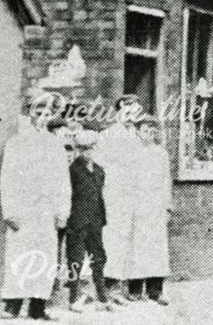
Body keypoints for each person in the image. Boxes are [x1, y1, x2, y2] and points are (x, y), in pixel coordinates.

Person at [0, 92, 71, 321]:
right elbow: (7, 178)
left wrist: (62, 211)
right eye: (38, 113)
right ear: (30, 113)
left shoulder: (55, 145)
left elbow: (63, 181)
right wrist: (9, 211)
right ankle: (13, 304)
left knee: (45, 256)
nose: (42, 117)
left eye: (48, 114)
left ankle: (38, 306)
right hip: (23, 209)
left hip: (47, 212)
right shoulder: (16, 142)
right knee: (20, 254)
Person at [93, 93, 143, 304]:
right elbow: (98, 163)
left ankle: (119, 286)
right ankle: (106, 287)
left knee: (128, 239)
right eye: (130, 111)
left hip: (132, 195)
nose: (133, 117)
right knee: (111, 238)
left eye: (136, 113)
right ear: (122, 106)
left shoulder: (136, 136)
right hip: (113, 194)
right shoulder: (108, 135)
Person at [125, 115, 172, 305]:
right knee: (136, 248)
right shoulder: (131, 153)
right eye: (145, 131)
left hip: (156, 207)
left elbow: (166, 181)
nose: (149, 135)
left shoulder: (161, 154)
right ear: (138, 132)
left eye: (153, 132)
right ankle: (135, 289)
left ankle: (155, 290)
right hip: (137, 206)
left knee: (156, 249)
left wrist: (168, 206)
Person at [65, 129, 113, 313]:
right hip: (77, 220)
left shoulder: (99, 171)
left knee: (98, 257)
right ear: (78, 149)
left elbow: (100, 196)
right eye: (83, 149)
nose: (87, 152)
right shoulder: (72, 170)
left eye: (91, 148)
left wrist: (101, 217)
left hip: (95, 220)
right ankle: (73, 298)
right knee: (75, 259)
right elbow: (68, 195)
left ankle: (102, 296)